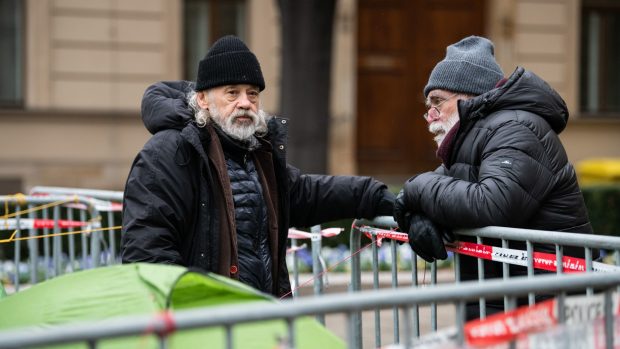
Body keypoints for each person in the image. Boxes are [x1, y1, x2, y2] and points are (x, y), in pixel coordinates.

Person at [121, 35, 395, 298]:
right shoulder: (168, 153)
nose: (245, 103)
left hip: (259, 321)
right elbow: (148, 254)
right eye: (232, 93)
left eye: (252, 94)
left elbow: (308, 193)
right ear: (202, 99)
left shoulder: (256, 152)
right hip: (201, 324)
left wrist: (381, 198)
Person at [393, 36, 595, 319]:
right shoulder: (472, 138)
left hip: (549, 309)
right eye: (428, 105)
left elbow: (491, 203)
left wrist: (416, 187)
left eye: (438, 102)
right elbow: (435, 195)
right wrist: (420, 217)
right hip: (511, 302)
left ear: (469, 97)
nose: (430, 115)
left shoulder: (516, 127)